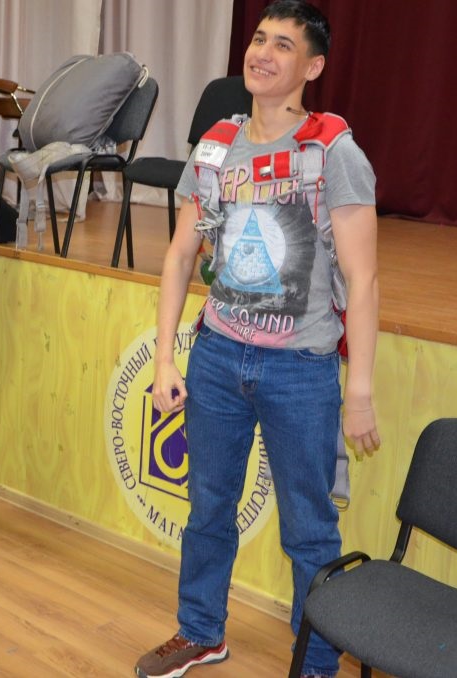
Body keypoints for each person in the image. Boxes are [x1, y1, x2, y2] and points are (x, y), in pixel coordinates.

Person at [134, 2, 381, 677]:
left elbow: (362, 279)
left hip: (299, 367)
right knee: (207, 509)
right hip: (216, 357)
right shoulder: (215, 145)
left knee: (309, 529)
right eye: (258, 38)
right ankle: (200, 631)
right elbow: (180, 255)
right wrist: (166, 358)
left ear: (313, 67)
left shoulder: (332, 149)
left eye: (283, 45)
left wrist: (358, 391)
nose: (262, 53)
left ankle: (315, 663)